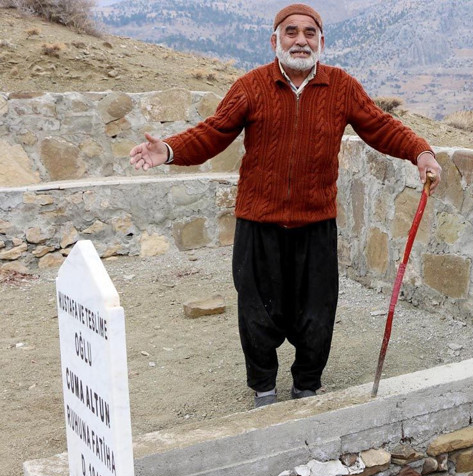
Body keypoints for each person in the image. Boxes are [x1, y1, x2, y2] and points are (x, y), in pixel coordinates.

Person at [129, 3, 441, 407]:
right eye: (290, 32)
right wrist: (169, 150)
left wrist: (421, 152)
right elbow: (214, 132)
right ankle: (264, 389)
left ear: (321, 42)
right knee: (257, 313)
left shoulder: (341, 87)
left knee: (317, 312)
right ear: (274, 40)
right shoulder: (251, 86)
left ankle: (307, 386)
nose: (300, 40)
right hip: (259, 223)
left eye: (309, 33)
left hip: (316, 223)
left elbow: (380, 126)